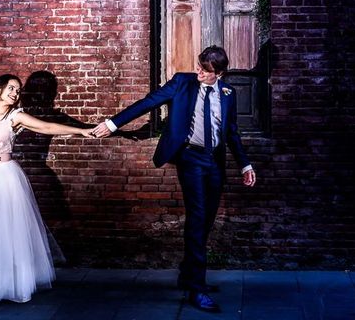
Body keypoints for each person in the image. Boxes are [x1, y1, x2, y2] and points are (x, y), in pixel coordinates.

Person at [92, 45, 256, 313]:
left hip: (215, 161)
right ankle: (197, 289)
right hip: (190, 158)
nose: (199, 72)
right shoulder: (182, 82)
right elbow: (148, 102)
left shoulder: (228, 93)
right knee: (198, 217)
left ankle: (189, 274)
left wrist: (245, 164)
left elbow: (232, 132)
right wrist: (113, 124)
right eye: (199, 66)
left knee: (207, 219)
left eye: (205, 70)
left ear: (220, 73)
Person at [0, 74, 91, 313]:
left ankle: (4, 285)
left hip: (4, 177)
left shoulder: (16, 117)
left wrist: (82, 132)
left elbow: (47, 126)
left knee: (3, 231)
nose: (15, 93)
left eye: (18, 90)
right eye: (11, 88)